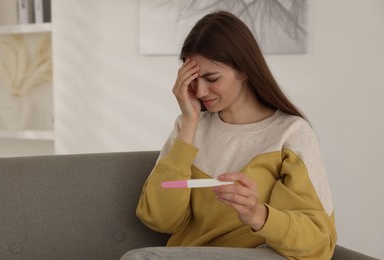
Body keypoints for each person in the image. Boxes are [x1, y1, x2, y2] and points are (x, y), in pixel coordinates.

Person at [123, 11, 336, 260]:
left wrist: (258, 214)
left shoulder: (290, 133)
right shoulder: (187, 128)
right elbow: (159, 219)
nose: (200, 91)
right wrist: (191, 124)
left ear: (243, 70)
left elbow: (320, 242)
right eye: (192, 79)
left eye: (211, 78)